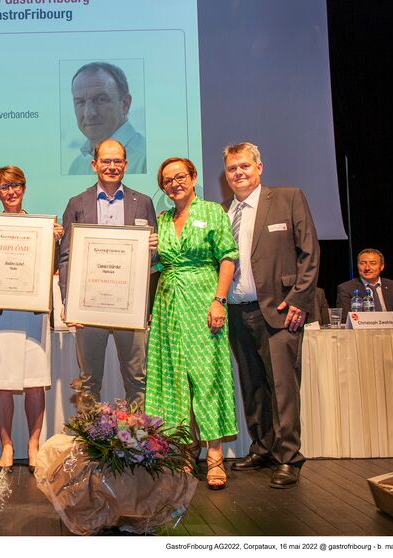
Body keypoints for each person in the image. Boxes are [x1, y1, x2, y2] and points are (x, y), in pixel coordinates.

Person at [221, 142, 319, 489]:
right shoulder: (224, 211)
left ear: (259, 167)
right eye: (232, 169)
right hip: (237, 312)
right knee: (253, 386)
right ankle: (262, 447)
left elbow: (310, 253)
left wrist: (298, 300)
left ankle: (289, 457)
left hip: (280, 311)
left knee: (283, 388)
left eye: (244, 166)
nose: (239, 173)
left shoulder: (288, 198)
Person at [145, 157, 238, 490]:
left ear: (193, 177)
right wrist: (147, 250)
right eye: (167, 181)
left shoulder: (213, 212)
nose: (174, 184)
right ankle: (185, 451)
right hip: (169, 305)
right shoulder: (162, 219)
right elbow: (158, 264)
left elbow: (227, 256)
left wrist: (219, 300)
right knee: (174, 381)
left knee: (207, 377)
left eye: (180, 177)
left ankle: (215, 457)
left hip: (203, 302)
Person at [58, 138, 158, 408]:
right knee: (89, 381)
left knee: (138, 379)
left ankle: (139, 447)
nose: (111, 166)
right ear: (94, 164)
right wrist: (69, 301)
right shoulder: (77, 203)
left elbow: (155, 260)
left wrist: (155, 248)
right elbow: (65, 256)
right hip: (89, 306)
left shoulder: (144, 203)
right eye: (106, 161)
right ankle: (91, 446)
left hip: (131, 307)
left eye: (117, 161)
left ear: (125, 164)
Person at [0, 166, 64, 474]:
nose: (10, 192)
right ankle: (7, 445)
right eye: (4, 188)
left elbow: (52, 268)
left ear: (24, 188)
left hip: (32, 311)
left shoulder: (41, 228)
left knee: (35, 382)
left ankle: (33, 444)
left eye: (16, 185)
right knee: (2, 382)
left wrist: (54, 240)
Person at [68, 62, 147, 176]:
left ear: (125, 104)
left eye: (100, 99)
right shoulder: (77, 166)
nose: (89, 113)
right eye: (80, 102)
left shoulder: (144, 159)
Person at [336, 248, 393, 326]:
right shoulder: (346, 288)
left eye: (373, 263)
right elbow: (345, 321)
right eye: (362, 263)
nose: (367, 268)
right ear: (357, 266)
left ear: (381, 267)